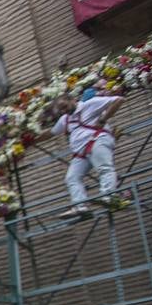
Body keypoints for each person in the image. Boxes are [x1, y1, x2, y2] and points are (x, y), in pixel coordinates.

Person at [49, 88, 124, 218]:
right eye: (60, 110)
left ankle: (110, 196)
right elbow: (51, 133)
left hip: (96, 141)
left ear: (73, 100)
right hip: (80, 152)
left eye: (64, 106)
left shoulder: (89, 104)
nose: (63, 111)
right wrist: (29, 140)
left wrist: (103, 119)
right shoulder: (65, 119)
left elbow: (119, 100)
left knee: (104, 168)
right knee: (72, 177)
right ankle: (81, 206)